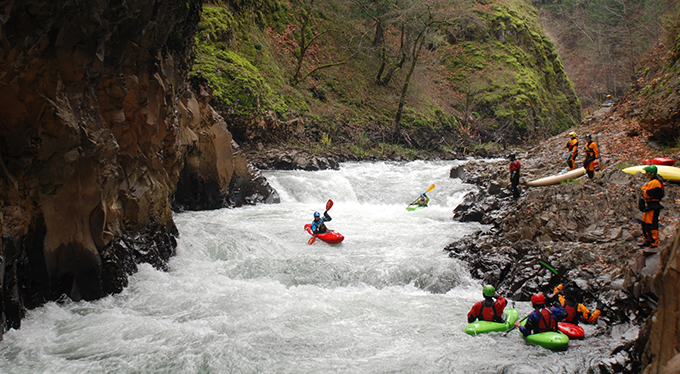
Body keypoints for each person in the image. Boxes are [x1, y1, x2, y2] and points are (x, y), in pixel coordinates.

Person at [639, 165, 665, 247]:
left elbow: (647, 194)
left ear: (651, 173)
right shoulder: (652, 182)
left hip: (653, 205)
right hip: (649, 206)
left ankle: (654, 242)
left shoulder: (655, 183)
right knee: (644, 223)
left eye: (647, 172)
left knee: (651, 224)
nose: (645, 174)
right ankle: (648, 240)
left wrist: (643, 188)